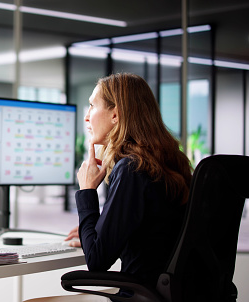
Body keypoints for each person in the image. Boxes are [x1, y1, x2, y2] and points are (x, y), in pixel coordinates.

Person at [64, 73, 192, 298]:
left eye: (92, 106)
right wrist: (93, 229)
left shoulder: (132, 168)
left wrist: (87, 190)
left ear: (115, 114)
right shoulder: (168, 163)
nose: (86, 117)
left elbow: (96, 260)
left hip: (142, 296)